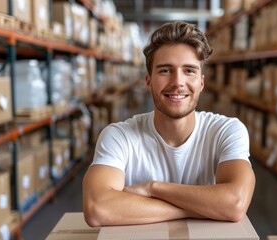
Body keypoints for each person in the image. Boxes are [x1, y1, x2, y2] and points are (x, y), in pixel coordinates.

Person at [82, 21, 255, 227]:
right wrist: (204, 208)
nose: (178, 82)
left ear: (201, 82)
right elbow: (97, 208)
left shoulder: (226, 131)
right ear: (148, 80)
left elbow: (235, 203)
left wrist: (153, 189)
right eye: (165, 70)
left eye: (189, 71)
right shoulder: (119, 136)